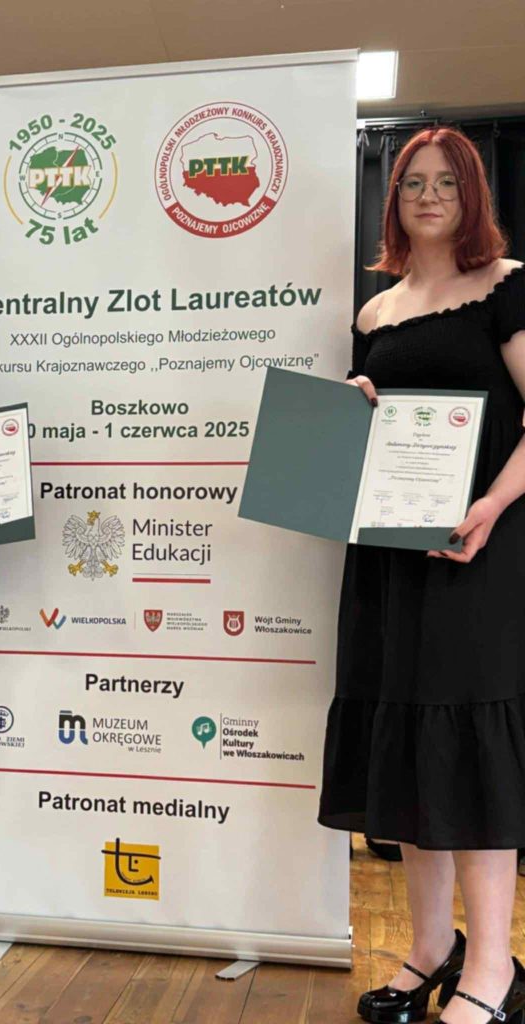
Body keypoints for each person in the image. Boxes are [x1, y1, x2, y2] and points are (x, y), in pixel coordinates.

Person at [317, 127, 525, 1024]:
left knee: (469, 752)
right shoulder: (375, 313)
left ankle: (495, 970)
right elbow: (360, 440)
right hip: (387, 559)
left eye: (446, 182)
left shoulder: (509, 286)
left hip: (479, 553)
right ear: (393, 200)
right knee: (408, 748)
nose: (428, 196)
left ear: (472, 195)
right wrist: (353, 406)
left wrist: (491, 507)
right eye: (412, 183)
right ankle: (433, 949)